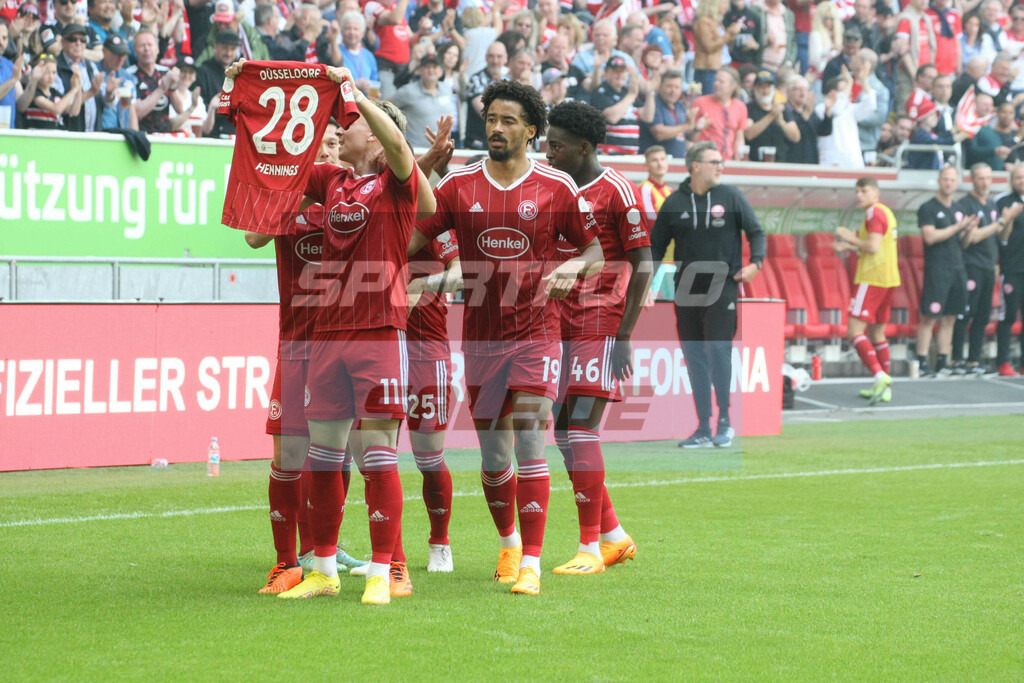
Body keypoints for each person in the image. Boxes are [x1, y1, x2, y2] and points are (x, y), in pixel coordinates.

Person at [410, 80, 604, 596]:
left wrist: (573, 268)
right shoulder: (459, 185)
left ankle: (532, 564)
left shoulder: (556, 187)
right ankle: (509, 544)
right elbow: (410, 237)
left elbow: (595, 252)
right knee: (495, 457)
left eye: (508, 121)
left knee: (531, 441)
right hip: (481, 340)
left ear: (531, 131)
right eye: (491, 119)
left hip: (537, 334)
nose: (496, 128)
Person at [268, 65, 435, 606]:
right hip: (326, 334)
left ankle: (383, 571)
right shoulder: (333, 183)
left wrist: (357, 94)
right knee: (325, 456)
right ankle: (322, 569)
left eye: (356, 124)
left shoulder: (396, 184)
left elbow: (399, 145)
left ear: (379, 140)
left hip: (378, 331)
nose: (346, 128)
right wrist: (255, 96)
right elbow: (286, 165)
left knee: (379, 454)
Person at [246, 122, 368, 595]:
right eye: (319, 146)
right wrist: (296, 193)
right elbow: (253, 238)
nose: (329, 152)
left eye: (334, 143)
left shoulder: (355, 202)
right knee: (288, 456)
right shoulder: (289, 200)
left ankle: (323, 550)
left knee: (338, 454)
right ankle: (285, 562)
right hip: (296, 347)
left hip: (343, 345)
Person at [545, 100, 652, 575]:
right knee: (563, 433)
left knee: (581, 431)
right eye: (547, 144)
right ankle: (613, 536)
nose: (549, 153)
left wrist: (624, 333)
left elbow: (643, 262)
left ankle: (589, 548)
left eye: (557, 146)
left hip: (599, 322)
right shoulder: (554, 189)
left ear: (584, 147)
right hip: (557, 325)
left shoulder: (617, 190)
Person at [651, 141, 765, 447]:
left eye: (721, 162)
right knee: (694, 355)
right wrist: (647, 283)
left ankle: (725, 421)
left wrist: (756, 263)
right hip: (686, 288)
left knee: (717, 348)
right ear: (695, 166)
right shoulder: (674, 203)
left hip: (723, 284)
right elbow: (655, 247)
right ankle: (702, 426)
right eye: (714, 162)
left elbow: (756, 232)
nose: (720, 167)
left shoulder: (731, 196)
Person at [953, 163, 1023, 373]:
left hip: (989, 266)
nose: (985, 182)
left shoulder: (991, 204)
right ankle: (958, 360)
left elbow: (1001, 236)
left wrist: (1006, 222)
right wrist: (1003, 221)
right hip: (978, 266)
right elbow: (973, 238)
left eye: (988, 178)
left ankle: (974, 361)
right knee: (969, 314)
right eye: (981, 178)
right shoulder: (972, 204)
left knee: (982, 315)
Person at [833, 177, 898, 404]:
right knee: (878, 333)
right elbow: (877, 248)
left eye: (864, 191)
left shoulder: (874, 213)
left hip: (871, 279)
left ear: (876, 193)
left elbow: (872, 246)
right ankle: (884, 388)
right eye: (857, 191)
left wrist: (849, 237)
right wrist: (849, 246)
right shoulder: (886, 212)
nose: (859, 196)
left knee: (854, 331)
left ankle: (880, 376)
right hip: (889, 279)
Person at [914, 165, 978, 377]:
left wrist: (969, 231)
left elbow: (964, 243)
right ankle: (922, 361)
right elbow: (930, 237)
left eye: (952, 180)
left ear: (957, 183)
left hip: (958, 268)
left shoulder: (959, 209)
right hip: (937, 269)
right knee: (930, 316)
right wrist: (958, 227)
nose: (948, 183)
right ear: (939, 181)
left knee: (950, 317)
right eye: (945, 179)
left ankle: (943, 361)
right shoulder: (928, 208)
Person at [994, 163, 1024, 376]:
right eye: (1018, 178)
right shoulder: (1003, 201)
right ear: (1012, 180)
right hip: (1012, 268)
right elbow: (999, 236)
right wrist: (1010, 217)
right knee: (1009, 316)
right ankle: (1003, 362)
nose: (1022, 181)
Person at [390, 53, 457, 148]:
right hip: (416, 150)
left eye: (434, 67)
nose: (431, 70)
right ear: (420, 70)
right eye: (427, 67)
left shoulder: (447, 89)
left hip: (442, 148)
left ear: (441, 71)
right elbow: (385, 108)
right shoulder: (408, 91)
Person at [130, 28, 183, 135]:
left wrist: (173, 87)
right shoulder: (130, 75)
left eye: (150, 45)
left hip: (164, 135)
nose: (146, 49)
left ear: (157, 49)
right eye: (142, 46)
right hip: (142, 135)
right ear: (135, 51)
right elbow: (137, 113)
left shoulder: (165, 72)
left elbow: (180, 109)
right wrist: (161, 89)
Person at [691, 66, 748, 161]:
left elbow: (739, 139)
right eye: (715, 80)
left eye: (721, 82)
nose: (716, 84)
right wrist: (697, 128)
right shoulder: (700, 102)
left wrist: (739, 162)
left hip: (727, 161)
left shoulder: (741, 107)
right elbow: (689, 136)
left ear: (733, 86)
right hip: (704, 160)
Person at [590, 55, 642, 154]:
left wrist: (650, 92)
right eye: (615, 72)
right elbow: (612, 117)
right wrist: (631, 95)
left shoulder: (626, 91)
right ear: (606, 73)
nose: (619, 75)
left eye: (622, 72)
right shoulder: (600, 91)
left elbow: (647, 117)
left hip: (631, 154)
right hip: (609, 153)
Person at [744, 70, 799, 163]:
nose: (765, 91)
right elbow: (748, 134)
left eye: (768, 87)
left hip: (781, 162)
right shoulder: (748, 108)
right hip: (756, 162)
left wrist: (781, 122)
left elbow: (796, 137)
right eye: (762, 87)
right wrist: (771, 115)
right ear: (755, 89)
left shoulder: (782, 108)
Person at [638, 69, 695, 157]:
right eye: (669, 86)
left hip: (678, 162)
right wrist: (686, 125)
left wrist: (697, 128)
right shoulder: (653, 105)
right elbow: (659, 134)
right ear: (660, 87)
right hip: (656, 162)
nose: (673, 91)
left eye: (677, 87)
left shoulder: (681, 107)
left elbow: (683, 137)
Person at [464, 40, 507, 149]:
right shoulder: (476, 79)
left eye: (499, 56)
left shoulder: (508, 81)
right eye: (491, 56)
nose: (495, 61)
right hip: (478, 142)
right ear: (486, 57)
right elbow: (485, 112)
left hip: (501, 140)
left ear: (506, 58)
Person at [693, 0, 740, 96]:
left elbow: (723, 43)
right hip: (708, 69)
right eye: (723, 3)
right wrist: (728, 34)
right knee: (709, 99)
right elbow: (709, 47)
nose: (726, 6)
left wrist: (733, 33)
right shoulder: (703, 22)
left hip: (721, 65)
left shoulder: (717, 21)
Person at [785, 75, 833, 164]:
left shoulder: (810, 111)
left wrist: (827, 111)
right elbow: (795, 135)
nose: (802, 92)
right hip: (792, 163)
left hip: (811, 162)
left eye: (805, 89)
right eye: (798, 89)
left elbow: (824, 131)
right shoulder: (784, 111)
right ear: (789, 91)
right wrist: (806, 113)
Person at [639, 144, 672, 224]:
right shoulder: (645, 189)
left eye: (663, 159)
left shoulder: (670, 190)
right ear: (646, 165)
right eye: (654, 160)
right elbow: (651, 221)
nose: (660, 164)